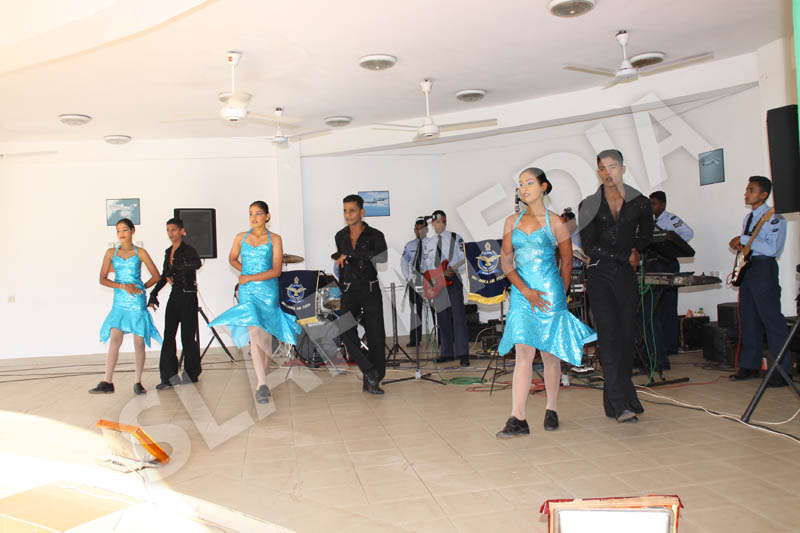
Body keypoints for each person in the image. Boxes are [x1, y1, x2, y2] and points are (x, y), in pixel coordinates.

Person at [496, 169, 597, 438]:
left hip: (550, 293)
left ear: (543, 187)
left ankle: (551, 408)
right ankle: (518, 418)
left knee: (550, 353)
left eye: (530, 183)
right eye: (521, 184)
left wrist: (560, 296)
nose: (524, 188)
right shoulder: (511, 221)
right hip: (522, 293)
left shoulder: (556, 222)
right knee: (523, 352)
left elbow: (567, 261)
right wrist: (524, 290)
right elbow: (506, 262)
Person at [579, 149, 653, 422]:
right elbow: (589, 246)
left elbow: (647, 236)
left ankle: (624, 396)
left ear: (623, 168)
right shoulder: (589, 204)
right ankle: (620, 403)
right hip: (599, 276)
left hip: (625, 276)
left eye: (612, 166)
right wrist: (626, 255)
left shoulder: (640, 202)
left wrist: (636, 250)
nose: (607, 172)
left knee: (624, 337)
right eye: (602, 168)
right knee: (608, 338)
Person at [209, 201, 301, 403]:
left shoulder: (275, 239)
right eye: (251, 213)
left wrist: (249, 276)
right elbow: (232, 258)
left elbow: (276, 271)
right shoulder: (241, 237)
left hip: (268, 291)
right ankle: (261, 384)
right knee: (254, 333)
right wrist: (244, 271)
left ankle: (262, 379)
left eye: (258, 213)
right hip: (248, 292)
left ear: (267, 216)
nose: (254, 217)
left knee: (265, 338)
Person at [728, 176, 790, 387]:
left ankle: (781, 371)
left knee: (771, 320)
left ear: (763, 194)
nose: (746, 194)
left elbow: (772, 249)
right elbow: (751, 244)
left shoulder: (774, 218)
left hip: (764, 269)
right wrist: (742, 245)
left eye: (751, 190)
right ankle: (750, 365)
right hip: (749, 268)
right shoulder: (749, 218)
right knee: (749, 319)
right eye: (747, 189)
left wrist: (744, 240)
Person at [93, 218, 162, 394]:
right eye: (118, 230)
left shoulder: (141, 252)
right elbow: (102, 279)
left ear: (132, 231)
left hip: (136, 300)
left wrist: (141, 288)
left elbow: (156, 276)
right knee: (115, 338)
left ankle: (137, 382)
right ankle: (107, 381)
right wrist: (123, 286)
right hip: (120, 300)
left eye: (124, 230)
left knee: (139, 341)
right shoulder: (111, 253)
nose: (121, 234)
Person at [334, 194, 388, 394]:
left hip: (370, 289)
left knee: (375, 335)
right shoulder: (340, 236)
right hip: (349, 290)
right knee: (344, 328)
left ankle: (373, 381)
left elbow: (382, 257)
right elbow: (342, 263)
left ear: (362, 212)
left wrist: (353, 254)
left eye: (352, 210)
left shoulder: (375, 235)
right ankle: (369, 370)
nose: (348, 215)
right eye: (345, 211)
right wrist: (342, 285)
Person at [148, 217, 203, 389]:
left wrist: (175, 268)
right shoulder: (168, 252)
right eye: (168, 230)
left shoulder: (189, 250)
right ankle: (168, 377)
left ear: (181, 231)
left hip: (188, 295)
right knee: (168, 335)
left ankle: (191, 373)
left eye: (173, 230)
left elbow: (196, 263)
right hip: (175, 295)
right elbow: (165, 275)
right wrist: (154, 293)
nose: (170, 233)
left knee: (187, 336)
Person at [647, 191, 694, 362]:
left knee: (669, 305)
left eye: (653, 204)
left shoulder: (671, 219)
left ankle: (670, 345)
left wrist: (671, 245)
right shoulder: (647, 221)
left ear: (662, 204)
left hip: (667, 263)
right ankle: (659, 345)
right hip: (652, 264)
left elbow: (688, 233)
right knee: (655, 307)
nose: (651, 207)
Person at [422, 210, 469, 366]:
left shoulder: (456, 238)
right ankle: (446, 352)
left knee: (458, 317)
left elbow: (464, 259)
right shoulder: (428, 243)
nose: (440, 224)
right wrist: (429, 281)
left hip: (453, 280)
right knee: (442, 318)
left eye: (442, 221)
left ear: (445, 221)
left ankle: (463, 353)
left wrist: (454, 270)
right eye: (437, 222)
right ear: (432, 223)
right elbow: (425, 265)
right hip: (437, 282)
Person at [401, 218, 428, 347]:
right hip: (415, 280)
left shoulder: (433, 244)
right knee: (416, 311)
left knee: (436, 310)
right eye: (417, 229)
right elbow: (404, 262)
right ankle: (415, 339)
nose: (419, 231)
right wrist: (408, 277)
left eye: (422, 229)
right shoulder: (409, 245)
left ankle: (441, 338)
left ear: (426, 230)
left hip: (430, 279)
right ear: (414, 230)